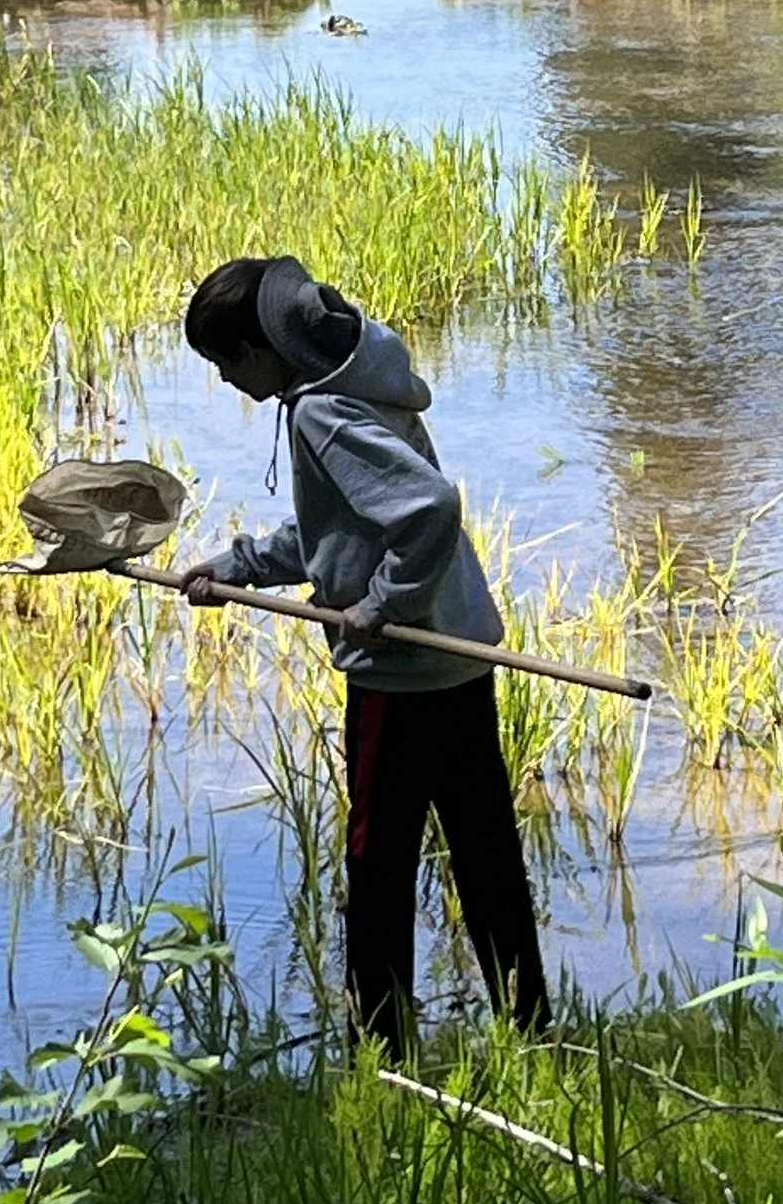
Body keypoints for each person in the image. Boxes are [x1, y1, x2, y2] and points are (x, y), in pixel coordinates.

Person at [179, 253, 550, 1052]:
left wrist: (381, 607)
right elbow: (341, 531)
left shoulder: (319, 413)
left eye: (223, 361)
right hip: (460, 651)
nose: (225, 380)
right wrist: (237, 564)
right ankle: (532, 1031)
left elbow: (427, 508)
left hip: (402, 673)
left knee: (377, 862)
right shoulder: (361, 383)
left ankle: (382, 1052)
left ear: (257, 349)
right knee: (486, 851)